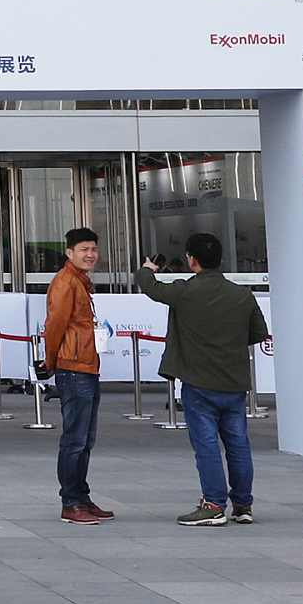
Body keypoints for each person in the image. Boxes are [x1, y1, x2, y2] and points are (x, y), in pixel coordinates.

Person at [137, 232, 269, 527]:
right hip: (234, 383)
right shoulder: (241, 294)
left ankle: (213, 504)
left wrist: (147, 269)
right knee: (238, 444)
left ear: (191, 260)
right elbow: (259, 333)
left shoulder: (184, 291)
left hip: (198, 383)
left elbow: (151, 287)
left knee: (207, 445)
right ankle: (243, 504)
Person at [42, 226, 110, 525]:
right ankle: (70, 502)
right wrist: (51, 360)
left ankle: (81, 497)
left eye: (93, 249)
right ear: (69, 252)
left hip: (86, 365)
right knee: (75, 440)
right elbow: (54, 325)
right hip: (73, 368)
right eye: (84, 249)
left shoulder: (80, 281)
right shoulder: (65, 282)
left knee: (86, 439)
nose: (90, 254)